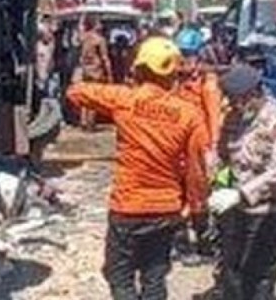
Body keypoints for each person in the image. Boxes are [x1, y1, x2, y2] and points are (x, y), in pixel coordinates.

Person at [67, 37, 209, 300]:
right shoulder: (189, 114)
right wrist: (198, 210)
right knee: (154, 278)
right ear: (173, 73)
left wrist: (124, 86)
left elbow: (75, 92)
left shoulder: (125, 99)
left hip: (128, 207)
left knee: (118, 274)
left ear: (140, 69)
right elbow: (197, 170)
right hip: (166, 208)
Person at [209, 65, 276, 300]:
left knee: (260, 278)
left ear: (254, 94)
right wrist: (215, 182)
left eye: (238, 100)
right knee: (232, 274)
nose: (234, 106)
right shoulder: (233, 118)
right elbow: (223, 157)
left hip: (269, 211)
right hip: (236, 211)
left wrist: (241, 193)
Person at [174, 27, 224, 267]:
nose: (184, 58)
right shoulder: (176, 79)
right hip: (177, 144)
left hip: (198, 145)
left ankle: (205, 246)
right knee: (176, 192)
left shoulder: (207, 82)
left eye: (188, 53)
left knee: (199, 195)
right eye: (181, 53)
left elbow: (214, 117)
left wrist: (212, 149)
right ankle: (181, 244)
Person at [77, 16, 113, 131]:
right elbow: (105, 57)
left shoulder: (84, 37)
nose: (101, 24)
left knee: (85, 96)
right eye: (99, 22)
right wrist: (109, 73)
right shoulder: (99, 39)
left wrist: (82, 17)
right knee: (93, 97)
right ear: (95, 25)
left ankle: (83, 120)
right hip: (96, 70)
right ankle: (90, 123)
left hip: (85, 69)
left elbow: (79, 31)